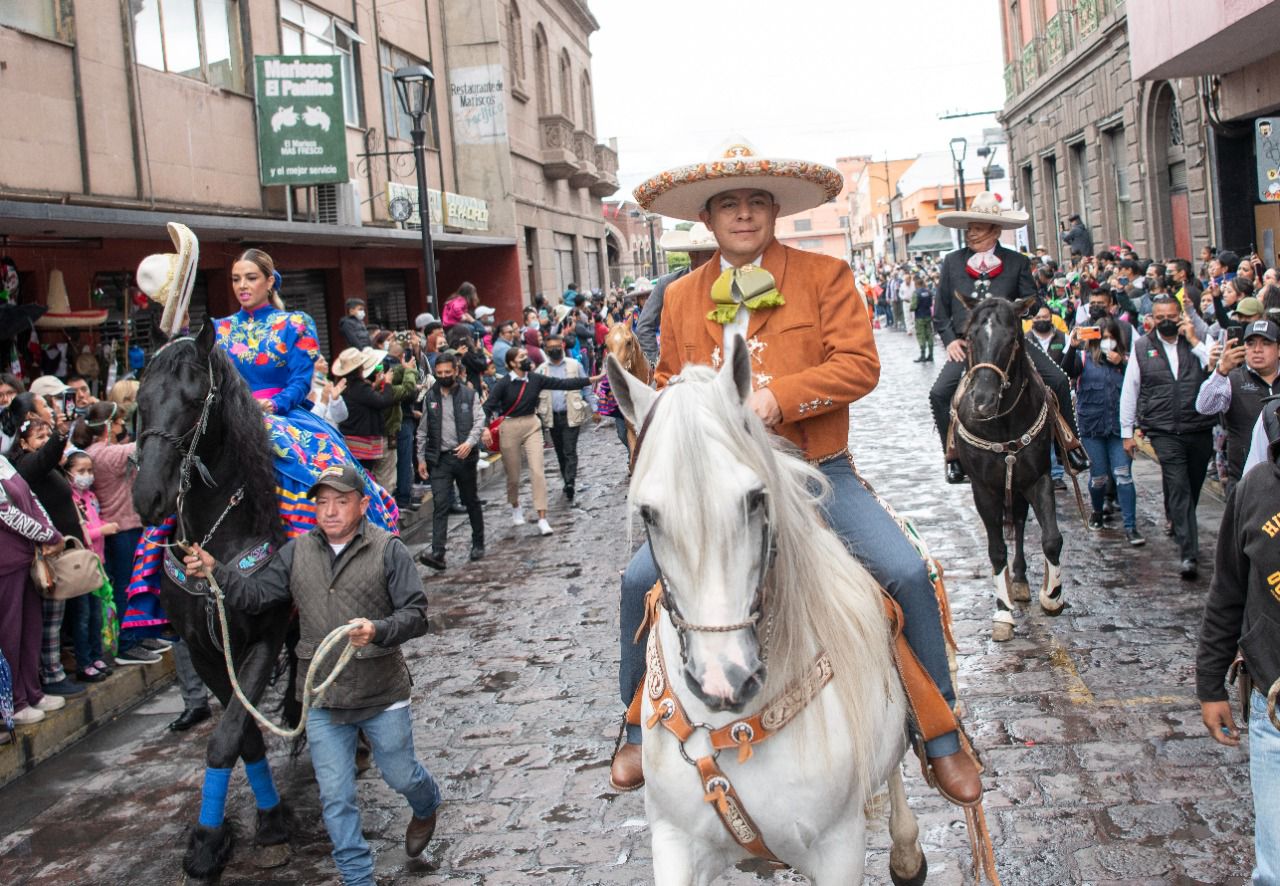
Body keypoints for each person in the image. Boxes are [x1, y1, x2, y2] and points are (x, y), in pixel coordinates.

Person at [616, 139, 981, 804]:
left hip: (816, 471)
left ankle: (941, 734)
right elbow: (669, 384)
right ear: (708, 219)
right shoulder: (678, 297)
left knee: (904, 569)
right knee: (638, 577)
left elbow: (859, 365)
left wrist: (775, 398)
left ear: (775, 210)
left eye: (757, 202)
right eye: (730, 204)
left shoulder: (825, 277)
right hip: (721, 488)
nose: (745, 215)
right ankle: (635, 726)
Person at [182, 463, 440, 886]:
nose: (331, 511)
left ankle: (427, 804)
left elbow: (416, 615)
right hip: (322, 698)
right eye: (322, 502)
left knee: (401, 775)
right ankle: (358, 879)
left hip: (381, 694)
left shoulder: (388, 549)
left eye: (341, 501)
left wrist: (378, 630)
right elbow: (258, 595)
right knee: (336, 799)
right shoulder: (296, 551)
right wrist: (218, 571)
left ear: (361, 505)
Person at [929, 192, 1089, 484]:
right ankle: (953, 457)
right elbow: (940, 311)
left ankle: (1069, 445)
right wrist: (951, 339)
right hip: (969, 347)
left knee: (1057, 380)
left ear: (995, 230)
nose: (971, 232)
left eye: (978, 227)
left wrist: (1027, 308)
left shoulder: (1016, 261)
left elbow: (1035, 301)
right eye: (971, 226)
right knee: (939, 393)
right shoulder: (952, 262)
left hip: (1009, 345)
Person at [1195, 429, 1280, 886]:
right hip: (1275, 703)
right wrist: (1210, 684)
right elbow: (1227, 593)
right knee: (1274, 871)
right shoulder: (1255, 488)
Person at [1120, 294, 1214, 579]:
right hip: (1163, 431)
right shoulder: (1142, 347)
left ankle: (1180, 521)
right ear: (1152, 319)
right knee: (1179, 487)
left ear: (1180, 315)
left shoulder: (1197, 341)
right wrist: (1127, 432)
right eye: (1160, 317)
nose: (1165, 321)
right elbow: (1130, 390)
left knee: (1193, 486)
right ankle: (1189, 554)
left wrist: (1195, 340)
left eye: (1171, 316)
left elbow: (1216, 367)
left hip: (1198, 427)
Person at [6, 394, 86, 698]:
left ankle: (42, 682)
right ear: (22, 442)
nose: (45, 440)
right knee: (38, 623)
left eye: (46, 434)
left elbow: (38, 496)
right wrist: (61, 433)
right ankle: (39, 684)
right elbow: (7, 511)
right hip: (34, 554)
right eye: (38, 436)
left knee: (48, 620)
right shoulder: (25, 464)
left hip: (53, 548)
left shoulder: (21, 466)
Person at [482, 346, 596, 536]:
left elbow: (562, 384)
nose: (526, 358)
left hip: (532, 424)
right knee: (513, 475)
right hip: (509, 427)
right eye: (521, 357)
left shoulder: (535, 378)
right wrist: (485, 428)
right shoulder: (503, 384)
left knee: (537, 471)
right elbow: (487, 407)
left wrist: (591, 380)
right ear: (512, 363)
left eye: (526, 355)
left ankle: (542, 518)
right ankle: (515, 505)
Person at [1063, 316, 1144, 544]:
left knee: (1123, 476)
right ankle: (1097, 511)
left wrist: (1123, 363)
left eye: (1111, 338)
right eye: (1104, 338)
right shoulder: (1084, 357)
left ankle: (1131, 526)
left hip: (1120, 430)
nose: (1108, 342)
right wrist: (1073, 345)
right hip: (1092, 428)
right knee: (1098, 478)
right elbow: (1067, 370)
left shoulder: (1127, 363)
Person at [0, 450, 66, 726]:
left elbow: (31, 499)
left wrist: (50, 531)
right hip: (5, 563)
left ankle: (32, 691)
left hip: (26, 557)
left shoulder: (3, 461)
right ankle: (15, 702)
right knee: (10, 634)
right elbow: (6, 513)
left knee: (31, 628)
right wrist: (48, 534)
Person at [414, 352, 484, 570]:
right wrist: (421, 458)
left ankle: (478, 542)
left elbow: (480, 420)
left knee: (469, 499)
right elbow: (423, 430)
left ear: (455, 371)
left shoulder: (469, 395)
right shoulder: (430, 397)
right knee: (440, 503)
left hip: (464, 456)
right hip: (440, 458)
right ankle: (438, 552)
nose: (444, 376)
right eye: (439, 373)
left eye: (447, 372)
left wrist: (470, 443)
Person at [1195, 319, 1280, 496]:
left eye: (1266, 343)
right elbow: (1204, 407)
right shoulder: (1232, 379)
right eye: (1250, 343)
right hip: (1244, 480)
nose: (1257, 349)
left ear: (1278, 349)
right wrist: (1220, 371)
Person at [62, 449, 116, 683]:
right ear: (68, 474)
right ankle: (84, 662)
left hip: (98, 565)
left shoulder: (90, 497)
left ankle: (96, 656)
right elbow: (82, 532)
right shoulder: (70, 499)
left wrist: (106, 524)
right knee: (82, 616)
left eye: (90, 470)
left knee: (96, 615)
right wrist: (101, 531)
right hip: (82, 567)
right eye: (80, 471)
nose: (86, 475)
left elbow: (97, 519)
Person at [535, 333, 598, 503]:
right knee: (560, 451)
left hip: (571, 414)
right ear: (546, 349)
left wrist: (594, 407)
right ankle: (566, 478)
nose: (555, 349)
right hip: (552, 416)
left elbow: (585, 386)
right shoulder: (541, 370)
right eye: (551, 347)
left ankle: (570, 482)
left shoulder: (574, 365)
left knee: (569, 450)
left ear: (562, 346)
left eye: (558, 345)